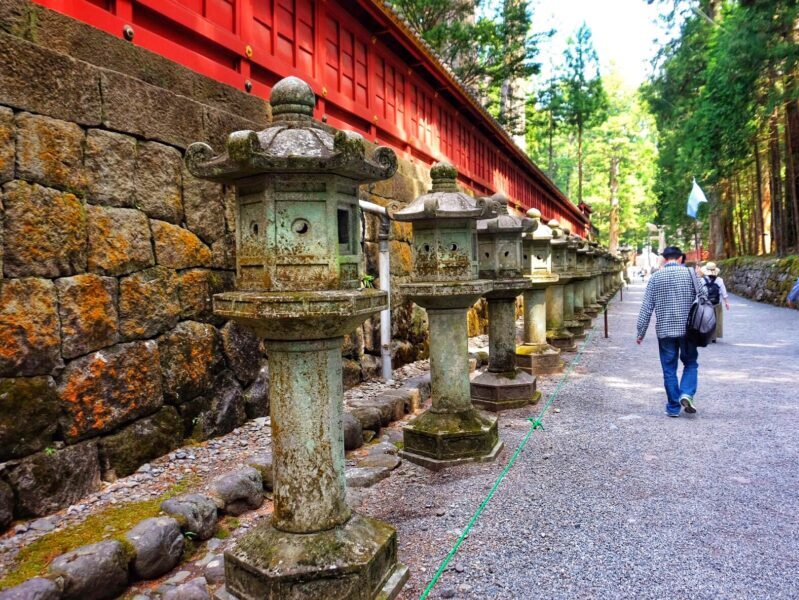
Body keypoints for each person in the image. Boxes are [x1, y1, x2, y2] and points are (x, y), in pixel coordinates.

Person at [636, 246, 707, 417]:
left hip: (665, 330)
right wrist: (700, 277)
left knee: (669, 368)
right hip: (688, 329)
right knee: (690, 363)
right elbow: (705, 297)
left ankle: (674, 407)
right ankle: (686, 393)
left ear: (664, 259)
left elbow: (647, 307)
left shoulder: (655, 277)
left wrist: (641, 331)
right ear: (681, 258)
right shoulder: (691, 274)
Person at [701, 262, 729, 343]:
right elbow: (724, 292)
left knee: (706, 320)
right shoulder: (719, 280)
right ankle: (714, 337)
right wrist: (726, 302)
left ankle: (707, 336)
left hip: (706, 304)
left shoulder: (702, 280)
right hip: (717, 303)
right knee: (717, 319)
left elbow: (699, 292)